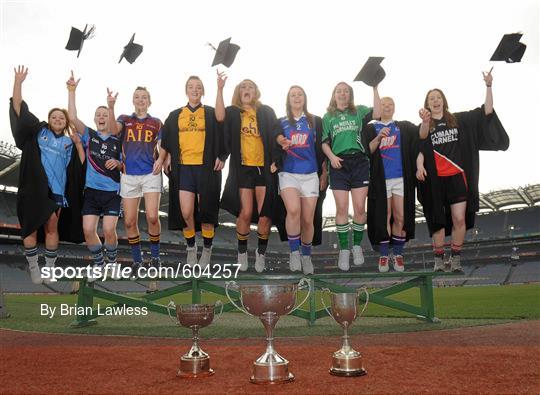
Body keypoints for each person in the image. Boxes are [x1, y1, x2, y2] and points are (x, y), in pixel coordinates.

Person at [416, 69, 509, 272]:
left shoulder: (459, 119)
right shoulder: (426, 124)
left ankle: (455, 259)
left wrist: (489, 85)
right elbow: (422, 141)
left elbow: (487, 110)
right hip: (436, 182)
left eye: (438, 97)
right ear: (427, 104)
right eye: (431, 98)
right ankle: (439, 260)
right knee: (437, 222)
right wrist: (419, 164)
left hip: (458, 177)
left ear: (444, 101)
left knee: (460, 219)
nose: (435, 100)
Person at [9, 65, 85, 284]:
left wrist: (79, 146)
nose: (58, 119)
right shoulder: (39, 131)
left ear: (66, 122)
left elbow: (79, 168)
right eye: (55, 116)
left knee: (52, 226)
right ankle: (34, 266)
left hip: (57, 192)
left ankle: (50, 268)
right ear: (49, 119)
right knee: (31, 227)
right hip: (35, 189)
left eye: (62, 117)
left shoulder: (69, 143)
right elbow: (19, 111)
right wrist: (18, 82)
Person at [160, 72, 226, 268]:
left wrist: (222, 156)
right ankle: (191, 247)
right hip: (184, 169)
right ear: (186, 90)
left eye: (198, 87)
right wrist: (166, 156)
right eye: (191, 86)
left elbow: (224, 129)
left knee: (206, 212)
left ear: (203, 91)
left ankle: (207, 248)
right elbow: (167, 140)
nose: (194, 89)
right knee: (186, 212)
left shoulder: (211, 113)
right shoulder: (175, 115)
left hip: (206, 168)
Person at [66, 71, 123, 280]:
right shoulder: (89, 135)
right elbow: (71, 117)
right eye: (98, 114)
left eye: (105, 114)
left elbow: (127, 165)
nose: (101, 117)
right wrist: (71, 91)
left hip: (112, 193)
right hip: (91, 192)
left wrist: (118, 162)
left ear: (110, 118)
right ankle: (99, 265)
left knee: (109, 230)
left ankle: (113, 263)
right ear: (94, 119)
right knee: (88, 230)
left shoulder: (118, 140)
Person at [221, 79, 281, 273]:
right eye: (243, 87)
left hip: (264, 169)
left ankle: (261, 254)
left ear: (256, 92)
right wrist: (220, 89)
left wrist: (276, 160)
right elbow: (220, 120)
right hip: (243, 168)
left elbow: (275, 134)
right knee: (245, 213)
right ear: (238, 93)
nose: (247, 90)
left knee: (265, 215)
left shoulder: (266, 112)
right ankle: (242, 252)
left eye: (251, 87)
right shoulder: (232, 112)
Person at [321, 82, 380, 271]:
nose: (342, 93)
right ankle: (344, 251)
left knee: (360, 208)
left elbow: (378, 113)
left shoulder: (359, 111)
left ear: (350, 95)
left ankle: (356, 246)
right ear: (334, 94)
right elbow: (324, 142)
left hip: (359, 163)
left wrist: (375, 87)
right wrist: (331, 157)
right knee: (342, 208)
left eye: (346, 91)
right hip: (339, 164)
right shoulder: (328, 117)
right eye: (339, 90)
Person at [274, 86, 327, 275]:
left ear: (305, 98)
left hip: (310, 174)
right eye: (293, 95)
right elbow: (275, 136)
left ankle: (306, 255)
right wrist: (281, 141)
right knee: (293, 210)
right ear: (288, 100)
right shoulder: (281, 122)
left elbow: (322, 148)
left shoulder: (315, 121)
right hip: (288, 173)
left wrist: (324, 173)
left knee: (307, 219)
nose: (296, 98)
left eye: (300, 94)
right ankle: (294, 252)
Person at [111, 86, 164, 276]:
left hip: (150, 172)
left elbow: (163, 145)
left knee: (151, 216)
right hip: (129, 174)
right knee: (129, 221)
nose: (140, 100)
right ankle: (137, 261)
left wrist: (160, 159)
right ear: (133, 100)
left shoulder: (156, 122)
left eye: (144, 97)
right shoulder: (125, 119)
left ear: (149, 101)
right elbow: (112, 129)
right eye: (137, 97)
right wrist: (111, 107)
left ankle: (156, 257)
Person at [364, 97, 420, 272]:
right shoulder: (370, 128)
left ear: (395, 108)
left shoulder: (403, 126)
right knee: (383, 216)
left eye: (390, 104)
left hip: (401, 178)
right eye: (383, 105)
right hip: (381, 179)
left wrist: (426, 121)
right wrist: (379, 138)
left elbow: (422, 137)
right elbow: (368, 150)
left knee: (400, 217)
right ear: (377, 109)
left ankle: (397, 254)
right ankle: (383, 255)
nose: (387, 107)